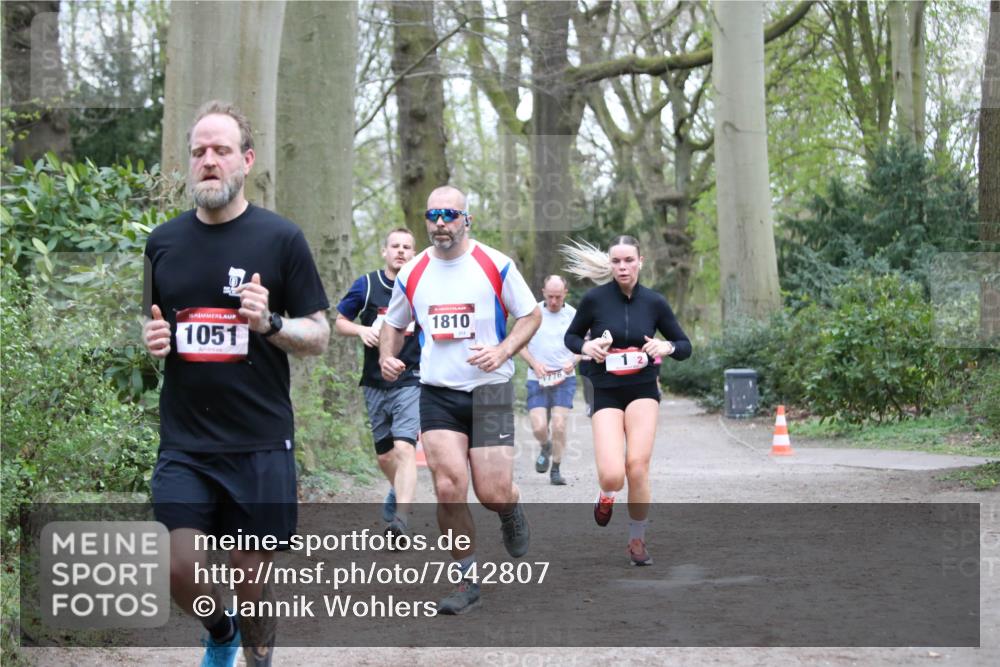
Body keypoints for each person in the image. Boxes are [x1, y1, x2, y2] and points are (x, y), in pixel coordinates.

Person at [142, 101, 330, 667]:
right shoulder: (162, 242)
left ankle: (255, 658)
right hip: (186, 444)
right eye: (198, 151)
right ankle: (217, 631)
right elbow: (152, 322)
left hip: (260, 443)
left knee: (252, 586)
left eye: (221, 150)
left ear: (246, 160)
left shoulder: (281, 239)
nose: (208, 161)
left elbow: (318, 334)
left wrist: (270, 323)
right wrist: (152, 342)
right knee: (177, 565)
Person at [379, 185, 541, 615]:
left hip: (489, 392)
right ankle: (468, 580)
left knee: (492, 492)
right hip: (437, 393)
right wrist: (386, 357)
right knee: (449, 488)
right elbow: (394, 324)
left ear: (467, 219)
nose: (440, 223)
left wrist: (504, 350)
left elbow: (531, 314)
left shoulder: (495, 264)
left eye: (449, 215)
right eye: (432, 215)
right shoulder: (412, 272)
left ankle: (511, 509)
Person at [562, 237, 691, 566]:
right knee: (612, 475)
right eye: (616, 261)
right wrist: (585, 348)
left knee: (637, 466)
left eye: (628, 261)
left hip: (642, 389)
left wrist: (667, 348)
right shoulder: (594, 300)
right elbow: (572, 337)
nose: (622, 267)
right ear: (610, 264)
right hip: (605, 388)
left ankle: (637, 539)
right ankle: (606, 495)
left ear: (640, 262)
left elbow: (683, 344)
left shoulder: (655, 302)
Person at [334, 228, 420, 537]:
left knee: (404, 447)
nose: (400, 251)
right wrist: (360, 331)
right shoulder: (367, 285)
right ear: (385, 251)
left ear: (414, 253)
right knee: (385, 455)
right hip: (373, 381)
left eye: (407, 247)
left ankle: (401, 521)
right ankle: (399, 489)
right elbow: (340, 320)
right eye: (395, 246)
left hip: (412, 378)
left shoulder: (422, 286)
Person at [518, 275, 579, 485]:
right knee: (538, 426)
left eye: (558, 297)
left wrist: (574, 361)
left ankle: (556, 469)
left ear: (565, 294)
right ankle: (546, 445)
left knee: (560, 425)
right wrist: (535, 364)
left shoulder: (573, 315)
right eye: (550, 296)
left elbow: (584, 344)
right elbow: (519, 345)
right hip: (538, 378)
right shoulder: (531, 313)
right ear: (543, 292)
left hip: (564, 378)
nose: (554, 302)